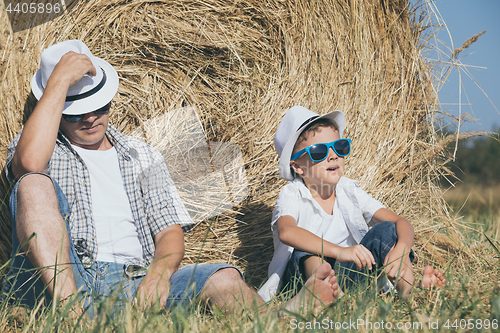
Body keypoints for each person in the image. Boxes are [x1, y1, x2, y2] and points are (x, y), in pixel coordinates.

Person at [1, 40, 339, 316]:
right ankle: (71, 316)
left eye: (99, 106)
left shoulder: (142, 154)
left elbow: (169, 231)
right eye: (76, 111)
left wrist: (159, 274)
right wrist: (58, 82)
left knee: (223, 277)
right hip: (59, 280)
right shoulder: (40, 147)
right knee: (32, 182)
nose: (90, 118)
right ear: (57, 107)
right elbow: (29, 164)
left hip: (135, 281)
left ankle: (278, 320)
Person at [258, 106, 445, 302]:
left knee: (387, 230)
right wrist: (341, 251)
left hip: (349, 274)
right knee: (307, 248)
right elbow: (287, 232)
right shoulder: (292, 193)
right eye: (319, 151)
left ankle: (411, 294)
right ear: (297, 166)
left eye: (339, 147)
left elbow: (401, 222)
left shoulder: (349, 190)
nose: (332, 155)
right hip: (301, 280)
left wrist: (402, 248)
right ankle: (320, 295)